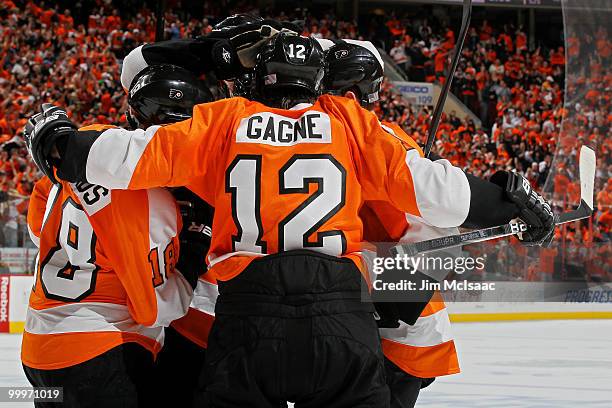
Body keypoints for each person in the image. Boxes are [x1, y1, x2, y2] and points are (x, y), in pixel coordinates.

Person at [26, 32, 555, 408]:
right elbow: (442, 198)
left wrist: (59, 146)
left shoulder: (224, 121)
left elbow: (125, 156)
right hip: (345, 313)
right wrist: (510, 201)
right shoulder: (353, 126)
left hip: (249, 308)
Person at [20, 64, 212, 408]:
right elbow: (154, 309)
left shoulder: (82, 147)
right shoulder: (157, 204)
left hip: (39, 349)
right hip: (101, 355)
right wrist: (192, 254)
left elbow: (38, 228)